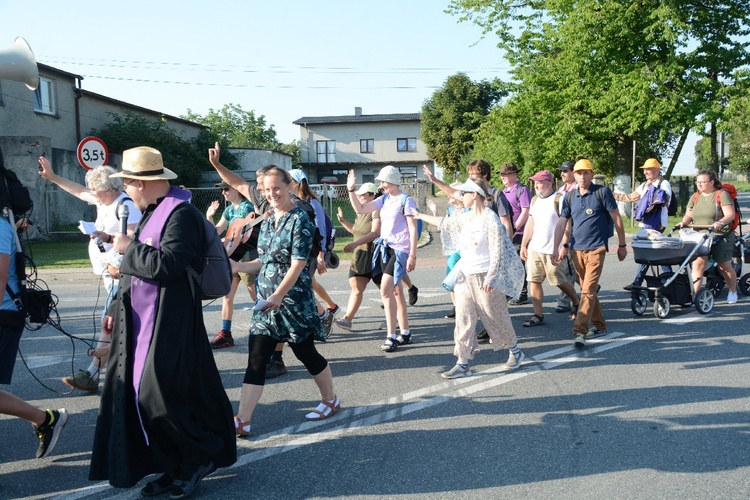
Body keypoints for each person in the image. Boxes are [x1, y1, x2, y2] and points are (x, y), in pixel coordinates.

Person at [89, 146, 236, 497]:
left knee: (162, 398)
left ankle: (197, 459)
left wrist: (128, 250)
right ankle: (175, 466)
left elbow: (167, 265)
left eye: (128, 184)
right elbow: (139, 271)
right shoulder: (156, 212)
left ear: (138, 182)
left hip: (171, 323)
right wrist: (113, 313)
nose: (127, 190)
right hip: (144, 323)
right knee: (144, 397)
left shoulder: (179, 214)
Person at [230, 166, 339, 437]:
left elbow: (299, 263)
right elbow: (264, 262)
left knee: (306, 353)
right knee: (256, 359)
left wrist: (279, 295)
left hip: (293, 301)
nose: (271, 194)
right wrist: (237, 267)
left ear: (289, 186)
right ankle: (242, 420)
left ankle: (330, 400)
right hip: (267, 304)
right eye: (266, 190)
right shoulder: (267, 220)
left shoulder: (300, 218)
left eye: (276, 188)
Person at [37, 157, 141, 393]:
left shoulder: (126, 206)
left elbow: (133, 240)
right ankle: (120, 369)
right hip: (110, 272)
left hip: (121, 273)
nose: (92, 194)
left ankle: (92, 373)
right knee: (119, 321)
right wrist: (52, 177)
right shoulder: (105, 200)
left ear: (108, 189)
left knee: (110, 320)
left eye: (96, 190)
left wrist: (107, 241)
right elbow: (79, 191)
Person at [415, 178, 527, 378]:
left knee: (497, 317)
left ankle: (515, 352)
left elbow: (497, 250)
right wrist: (418, 215)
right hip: (464, 277)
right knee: (463, 319)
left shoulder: (490, 219)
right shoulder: (465, 217)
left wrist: (491, 277)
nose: (461, 196)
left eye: (464, 193)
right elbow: (444, 223)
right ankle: (462, 362)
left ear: (474, 195)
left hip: (485, 278)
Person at [0, 212, 68, 458]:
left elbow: (0, 275)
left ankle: (45, 419)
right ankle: (45, 419)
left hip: (3, 314)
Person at [553, 159, 627, 349]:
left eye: (586, 173)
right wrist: (558, 247)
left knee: (586, 290)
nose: (582, 176)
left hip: (597, 249)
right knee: (589, 290)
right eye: (579, 173)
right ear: (574, 175)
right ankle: (600, 325)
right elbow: (562, 223)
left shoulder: (602, 192)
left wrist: (622, 244)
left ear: (592, 174)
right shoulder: (569, 197)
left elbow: (616, 218)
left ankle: (579, 331)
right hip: (577, 250)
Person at [347, 166, 418, 352]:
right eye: (380, 182)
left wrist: (412, 254)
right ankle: (405, 332)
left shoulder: (406, 200)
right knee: (396, 291)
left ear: (394, 181)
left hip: (400, 250)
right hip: (385, 248)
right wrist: (351, 189)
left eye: (384, 181)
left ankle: (391, 336)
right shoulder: (384, 199)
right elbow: (361, 208)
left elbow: (413, 228)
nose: (381, 185)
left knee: (386, 290)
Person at [520, 170, 580, 327]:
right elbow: (530, 223)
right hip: (535, 248)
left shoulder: (560, 199)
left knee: (558, 280)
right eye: (535, 182)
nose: (537, 185)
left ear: (549, 183)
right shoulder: (534, 200)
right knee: (534, 280)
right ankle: (537, 315)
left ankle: (576, 301)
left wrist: (564, 246)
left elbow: (567, 225)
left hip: (553, 248)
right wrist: (524, 244)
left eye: (539, 182)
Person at [206, 181, 255, 348]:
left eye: (226, 188)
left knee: (256, 295)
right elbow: (216, 231)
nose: (223, 192)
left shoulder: (246, 207)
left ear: (236, 189)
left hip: (246, 256)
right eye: (222, 189)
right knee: (227, 295)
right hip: (232, 256)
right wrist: (210, 217)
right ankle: (226, 334)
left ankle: (275, 326)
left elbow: (246, 231)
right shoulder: (228, 210)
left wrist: (232, 239)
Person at [678, 170, 738, 304]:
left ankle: (732, 291)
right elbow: (689, 214)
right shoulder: (695, 197)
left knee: (724, 266)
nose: (699, 184)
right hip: (700, 235)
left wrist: (720, 222)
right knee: (698, 264)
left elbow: (730, 215)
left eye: (702, 182)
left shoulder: (721, 195)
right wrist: (684, 222)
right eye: (697, 182)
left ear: (711, 182)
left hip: (720, 235)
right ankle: (695, 295)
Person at [613, 158, 673, 290]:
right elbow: (630, 197)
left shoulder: (664, 184)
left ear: (657, 170)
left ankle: (638, 282)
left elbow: (664, 200)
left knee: (650, 253)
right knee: (654, 253)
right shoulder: (645, 185)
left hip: (657, 224)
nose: (645, 172)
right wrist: (612, 195)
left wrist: (649, 204)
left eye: (648, 169)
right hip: (645, 224)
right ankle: (669, 279)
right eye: (644, 169)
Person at [334, 182, 381, 331]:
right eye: (358, 195)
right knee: (356, 288)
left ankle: (397, 320)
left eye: (363, 195)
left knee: (388, 291)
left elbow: (375, 233)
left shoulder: (376, 210)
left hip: (374, 255)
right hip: (360, 256)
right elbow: (356, 231)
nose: (360, 197)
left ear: (372, 195)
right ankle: (348, 320)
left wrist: (354, 245)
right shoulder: (360, 213)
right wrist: (343, 221)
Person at [499, 162, 532, 305]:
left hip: (519, 233)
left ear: (514, 175)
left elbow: (526, 211)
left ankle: (522, 293)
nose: (503, 177)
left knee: (519, 264)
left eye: (506, 175)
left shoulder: (522, 190)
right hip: (507, 233)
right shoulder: (503, 192)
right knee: (508, 264)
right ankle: (511, 292)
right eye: (502, 175)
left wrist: (515, 227)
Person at [554, 160, 578, 313]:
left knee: (570, 267)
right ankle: (592, 287)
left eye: (565, 171)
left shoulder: (577, 189)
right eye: (561, 171)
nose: (562, 174)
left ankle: (564, 300)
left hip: (576, 231)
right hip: (564, 230)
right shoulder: (561, 190)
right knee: (571, 266)